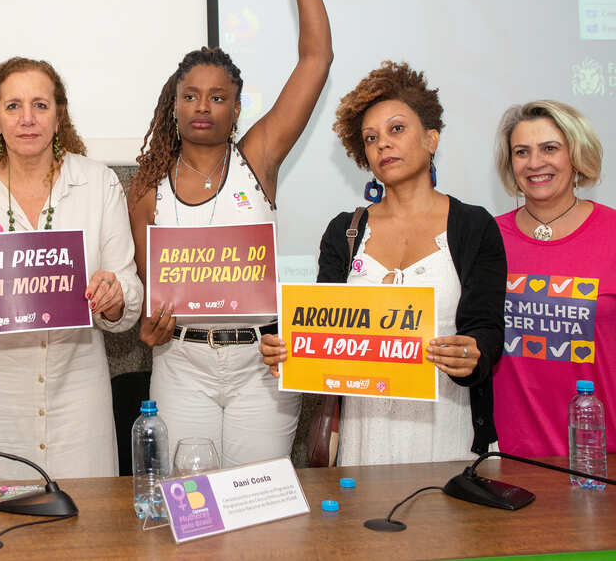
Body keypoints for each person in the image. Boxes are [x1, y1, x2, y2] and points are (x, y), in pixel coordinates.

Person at [128, 0, 332, 467]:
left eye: (218, 97)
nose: (203, 106)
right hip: (183, 362)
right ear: (173, 105)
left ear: (236, 109)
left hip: (260, 361)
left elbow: (316, 59)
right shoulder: (148, 186)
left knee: (259, 510)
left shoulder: (257, 159)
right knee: (188, 509)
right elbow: (152, 294)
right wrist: (148, 326)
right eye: (190, 96)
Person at [261, 61, 506, 465]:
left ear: (431, 138)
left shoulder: (474, 226)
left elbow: (488, 329)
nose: (382, 144)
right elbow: (322, 330)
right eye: (370, 138)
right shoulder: (345, 231)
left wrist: (474, 351)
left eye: (396, 129)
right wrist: (288, 349)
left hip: (449, 429)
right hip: (365, 434)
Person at [0, 57, 142, 481]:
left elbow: (128, 288)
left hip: (74, 398)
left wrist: (115, 297)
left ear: (59, 116)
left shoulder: (99, 183)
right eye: (13, 106)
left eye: (40, 105)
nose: (27, 119)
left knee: (80, 530)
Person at [491, 100, 614, 457]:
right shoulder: (487, 239)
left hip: (601, 457)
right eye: (521, 152)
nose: (534, 163)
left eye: (549, 148)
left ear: (575, 155)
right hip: (505, 457)